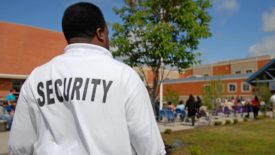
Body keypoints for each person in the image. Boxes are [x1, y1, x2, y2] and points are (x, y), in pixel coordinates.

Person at [9, 2, 165, 155]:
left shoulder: (36, 78)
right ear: (100, 33)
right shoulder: (124, 76)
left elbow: (19, 147)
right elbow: (150, 147)